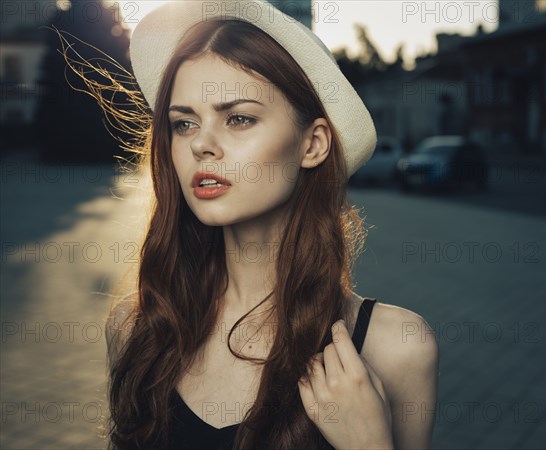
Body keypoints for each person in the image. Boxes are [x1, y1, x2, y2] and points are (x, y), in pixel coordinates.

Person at [103, 1, 439, 449]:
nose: (201, 144)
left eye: (238, 118)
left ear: (313, 143)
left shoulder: (396, 347)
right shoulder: (134, 327)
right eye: (183, 123)